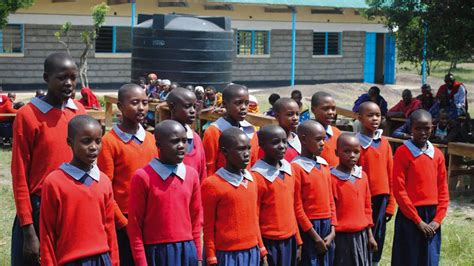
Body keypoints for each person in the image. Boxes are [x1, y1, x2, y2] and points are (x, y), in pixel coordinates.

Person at [11, 52, 86, 266]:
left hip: (72, 206)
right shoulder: (28, 115)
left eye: (73, 77)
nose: (69, 83)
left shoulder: (78, 111)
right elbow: (19, 175)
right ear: (46, 78)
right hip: (39, 208)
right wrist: (28, 229)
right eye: (62, 78)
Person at [40, 115, 119, 265]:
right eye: (86, 141)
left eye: (98, 141)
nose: (94, 147)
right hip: (70, 260)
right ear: (69, 142)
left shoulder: (103, 181)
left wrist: (114, 262)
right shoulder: (54, 182)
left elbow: (110, 228)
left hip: (102, 259)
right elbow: (47, 234)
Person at [97, 83, 158, 265]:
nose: (141, 107)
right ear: (120, 107)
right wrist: (123, 223)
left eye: (145, 102)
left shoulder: (151, 139)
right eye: (134, 102)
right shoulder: (109, 142)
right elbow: (106, 188)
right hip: (124, 221)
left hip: (151, 218)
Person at [127, 120, 203, 265]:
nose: (181, 146)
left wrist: (198, 256)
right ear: (159, 145)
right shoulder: (143, 177)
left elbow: (196, 219)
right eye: (175, 141)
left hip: (187, 251)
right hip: (157, 253)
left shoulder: (191, 175)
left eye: (184, 141)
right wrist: (141, 262)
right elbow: (135, 226)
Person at [202, 128, 268, 265]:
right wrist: (211, 257)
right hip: (227, 254)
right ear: (225, 151)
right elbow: (208, 226)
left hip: (252, 251)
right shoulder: (212, 184)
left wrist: (261, 248)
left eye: (249, 148)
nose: (247, 154)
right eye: (240, 149)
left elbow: (254, 218)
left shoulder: (251, 180)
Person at [391, 109, 449, 265]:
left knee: (429, 259)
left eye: (427, 128)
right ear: (411, 128)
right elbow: (399, 189)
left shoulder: (437, 154)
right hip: (410, 216)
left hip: (432, 216)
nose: (423, 132)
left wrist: (438, 219)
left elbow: (443, 188)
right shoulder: (403, 152)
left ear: (433, 127)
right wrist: (417, 220)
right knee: (409, 258)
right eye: (418, 128)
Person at [252, 125, 302, 265]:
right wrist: (262, 249)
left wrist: (298, 240)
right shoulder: (256, 176)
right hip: (269, 242)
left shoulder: (289, 169)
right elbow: (254, 217)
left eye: (284, 141)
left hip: (290, 239)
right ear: (261, 145)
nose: (282, 146)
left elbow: (293, 207)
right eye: (275, 142)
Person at [292, 120, 337, 266]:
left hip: (327, 226)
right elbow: (297, 207)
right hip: (309, 228)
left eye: (324, 139)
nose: (323, 143)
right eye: (318, 139)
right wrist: (315, 237)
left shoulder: (324, 164)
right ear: (303, 140)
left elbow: (331, 199)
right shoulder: (296, 167)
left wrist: (333, 229)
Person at [356, 102, 395, 265]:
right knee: (363, 234)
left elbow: (390, 172)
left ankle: (374, 262)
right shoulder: (354, 143)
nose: (375, 119)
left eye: (378, 115)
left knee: (378, 234)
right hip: (362, 199)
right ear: (359, 118)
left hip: (382, 197)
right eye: (370, 115)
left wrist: (391, 203)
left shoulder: (384, 142)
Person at [330, 133, 377, 266]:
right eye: (346, 151)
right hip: (341, 237)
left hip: (361, 235)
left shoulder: (362, 176)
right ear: (336, 152)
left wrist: (370, 235)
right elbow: (331, 209)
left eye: (356, 152)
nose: (352, 155)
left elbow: (367, 207)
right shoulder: (331, 178)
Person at [202, 83, 259, 176]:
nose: (243, 107)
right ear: (225, 104)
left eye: (246, 103)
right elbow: (209, 166)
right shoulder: (214, 131)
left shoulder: (250, 130)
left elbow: (253, 163)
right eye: (237, 103)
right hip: (221, 185)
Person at [166, 87, 207, 181]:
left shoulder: (196, 139)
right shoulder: (161, 138)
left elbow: (202, 174)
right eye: (187, 106)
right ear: (172, 107)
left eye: (194, 106)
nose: (193, 111)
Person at [311, 91, 341, 167]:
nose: (331, 112)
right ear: (313, 110)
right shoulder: (307, 135)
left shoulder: (337, 133)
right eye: (325, 108)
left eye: (333, 109)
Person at [272, 98, 301, 162]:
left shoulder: (301, 140)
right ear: (277, 116)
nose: (295, 118)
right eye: (290, 114)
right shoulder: (271, 144)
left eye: (297, 114)